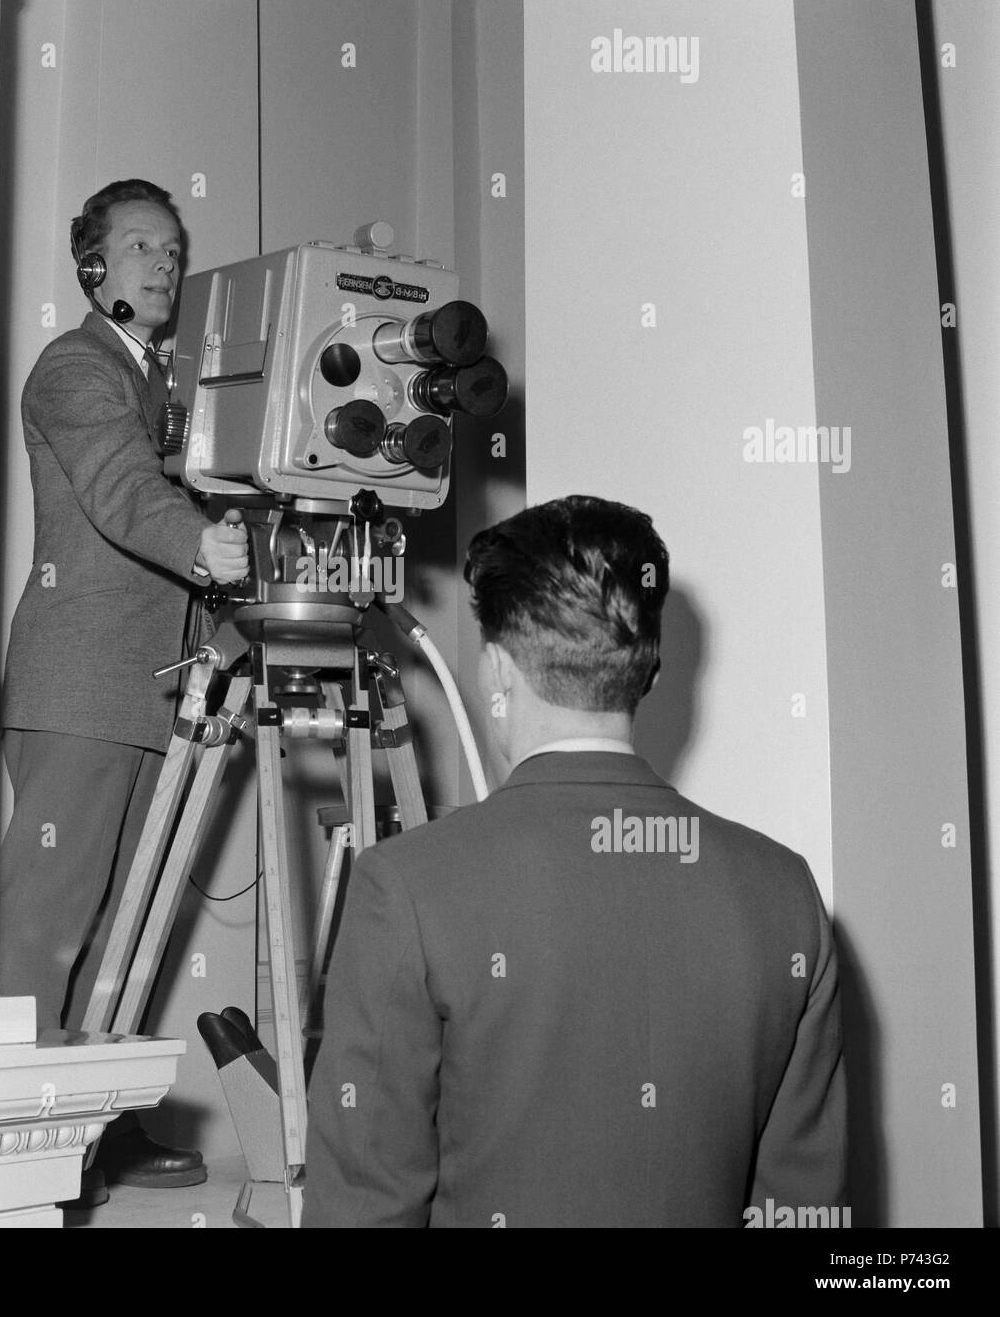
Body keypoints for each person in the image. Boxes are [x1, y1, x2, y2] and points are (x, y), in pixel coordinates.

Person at [301, 495, 847, 1226]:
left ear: (495, 672)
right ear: (647, 672)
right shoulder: (783, 890)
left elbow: (363, 1210)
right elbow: (805, 1211)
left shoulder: (406, 888)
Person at [0, 179, 249, 1199]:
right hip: (81, 689)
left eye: (173, 247)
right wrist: (204, 542)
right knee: (49, 926)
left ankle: (97, 1127)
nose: (163, 261)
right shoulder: (74, 368)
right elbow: (120, 486)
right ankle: (16, 1150)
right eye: (140, 244)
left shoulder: (174, 383)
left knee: (126, 929)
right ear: (91, 264)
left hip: (162, 696)